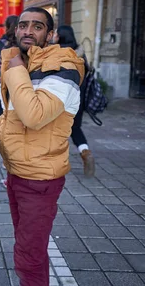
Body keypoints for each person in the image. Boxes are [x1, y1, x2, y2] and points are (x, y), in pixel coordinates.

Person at [0, 7, 84, 286]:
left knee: (27, 256)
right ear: (15, 30)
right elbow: (13, 114)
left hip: (41, 179)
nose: (28, 31)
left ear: (51, 34)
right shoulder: (25, 64)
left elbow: (33, 116)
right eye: (23, 25)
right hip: (18, 174)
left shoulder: (63, 68)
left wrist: (15, 70)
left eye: (37, 26)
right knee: (30, 246)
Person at [57, 25, 96, 178]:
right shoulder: (80, 53)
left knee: (54, 130)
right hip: (78, 98)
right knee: (75, 128)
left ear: (59, 36)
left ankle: (56, 162)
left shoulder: (57, 52)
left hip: (59, 98)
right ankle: (86, 153)